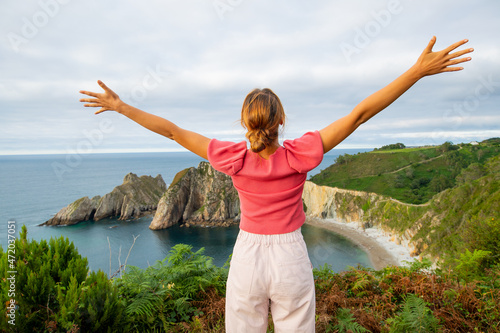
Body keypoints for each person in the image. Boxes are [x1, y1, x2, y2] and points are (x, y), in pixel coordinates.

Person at [79, 36, 473, 332]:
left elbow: (172, 132)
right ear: (280, 120)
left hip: (248, 254)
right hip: (290, 257)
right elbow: (359, 115)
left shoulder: (233, 158)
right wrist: (416, 72)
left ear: (244, 123)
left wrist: (120, 106)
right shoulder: (301, 154)